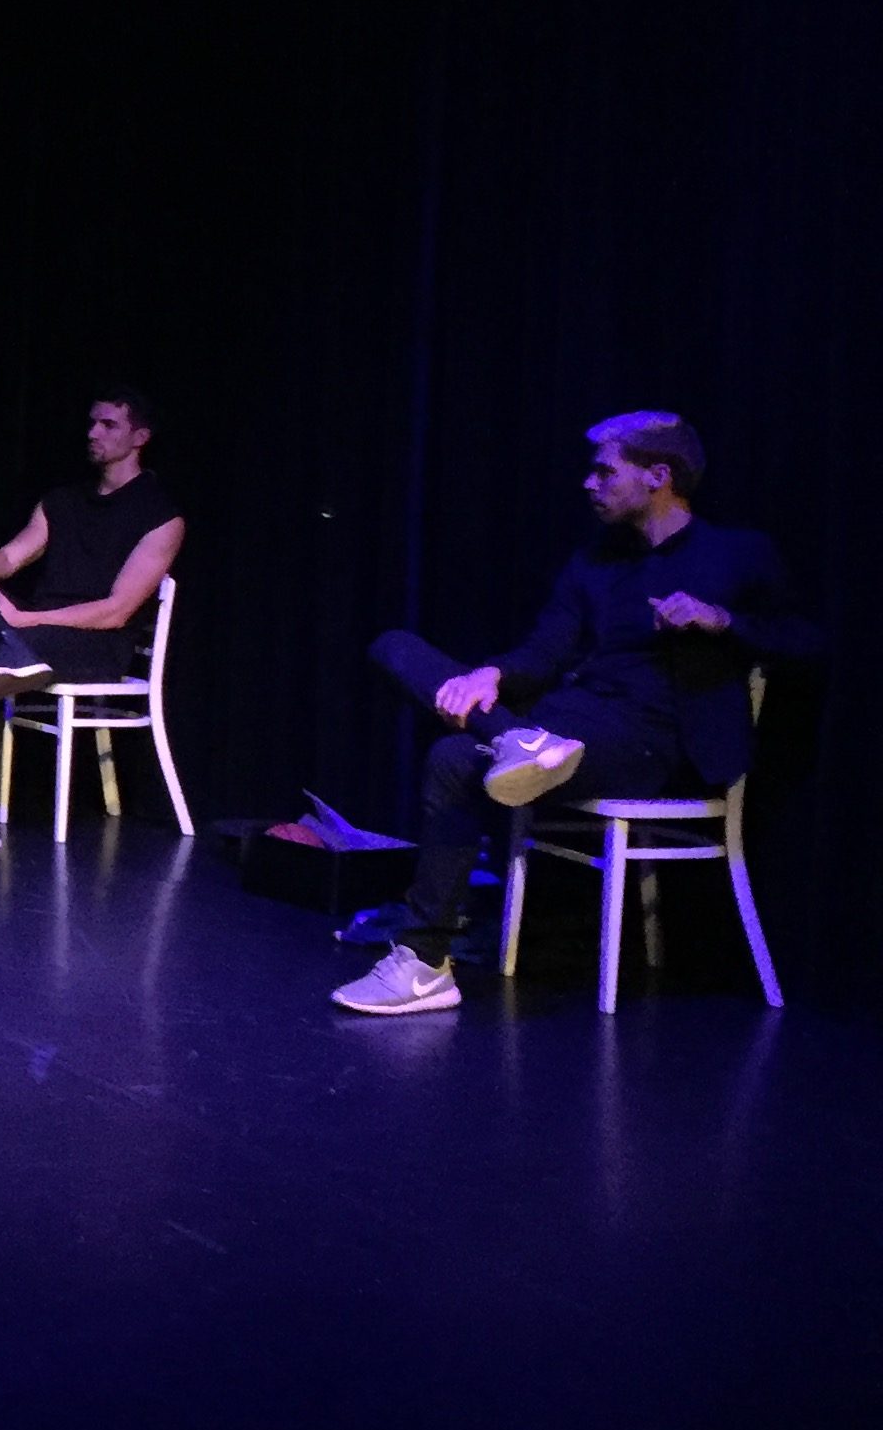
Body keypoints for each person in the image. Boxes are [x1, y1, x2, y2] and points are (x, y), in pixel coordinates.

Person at [332, 410, 824, 1017]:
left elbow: (807, 643)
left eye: (604, 472)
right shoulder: (593, 563)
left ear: (658, 475)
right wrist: (493, 675)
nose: (589, 484)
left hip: (653, 743)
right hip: (569, 721)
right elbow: (546, 651)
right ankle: (428, 962)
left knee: (458, 757)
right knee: (399, 654)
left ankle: (515, 754)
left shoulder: (735, 554)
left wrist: (723, 621)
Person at [0, 389, 187, 712]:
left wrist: (27, 620)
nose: (93, 433)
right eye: (92, 423)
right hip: (34, 627)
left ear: (140, 438)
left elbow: (116, 611)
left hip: (96, 643)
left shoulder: (161, 517)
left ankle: (7, 646)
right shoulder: (63, 501)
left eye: (108, 425)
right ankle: (9, 646)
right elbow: (8, 559)